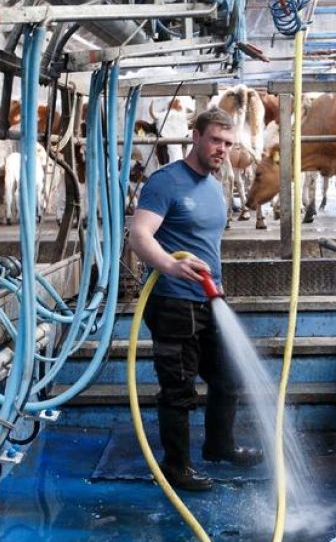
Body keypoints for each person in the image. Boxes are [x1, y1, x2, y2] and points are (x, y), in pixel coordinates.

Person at [127, 107, 264, 491]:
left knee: (228, 377)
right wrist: (169, 265)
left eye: (228, 143)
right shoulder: (166, 182)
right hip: (173, 301)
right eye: (216, 140)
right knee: (179, 388)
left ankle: (220, 446)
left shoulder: (214, 187)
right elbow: (140, 235)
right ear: (196, 137)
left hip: (209, 299)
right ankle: (177, 466)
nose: (222, 149)